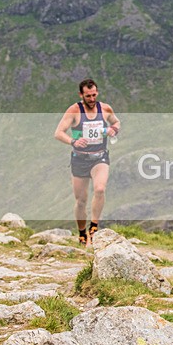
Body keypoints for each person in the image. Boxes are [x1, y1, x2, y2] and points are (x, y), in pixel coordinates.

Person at [54, 79, 120, 246]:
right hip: (80, 159)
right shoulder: (74, 111)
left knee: (100, 189)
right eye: (88, 96)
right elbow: (59, 133)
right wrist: (73, 141)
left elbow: (116, 122)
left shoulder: (105, 109)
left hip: (100, 157)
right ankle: (82, 232)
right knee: (81, 201)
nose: (91, 99)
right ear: (81, 95)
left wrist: (113, 130)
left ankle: (94, 227)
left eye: (94, 95)